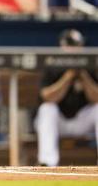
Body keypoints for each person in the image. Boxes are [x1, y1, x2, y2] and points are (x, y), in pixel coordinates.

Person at [36, 29, 98, 166]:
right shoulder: (52, 65)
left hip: (83, 122)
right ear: (62, 47)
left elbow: (96, 98)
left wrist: (83, 76)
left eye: (76, 45)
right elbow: (46, 97)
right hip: (59, 122)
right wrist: (68, 77)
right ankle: (47, 163)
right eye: (69, 45)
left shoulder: (91, 65)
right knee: (47, 108)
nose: (73, 49)